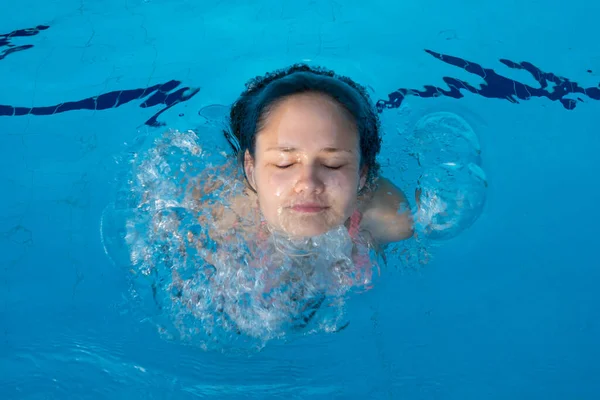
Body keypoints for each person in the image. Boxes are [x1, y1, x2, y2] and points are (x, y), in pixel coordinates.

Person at [210, 63, 415, 248]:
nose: (308, 183)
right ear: (250, 169)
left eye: (332, 164)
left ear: (362, 174)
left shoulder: (390, 220)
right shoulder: (220, 214)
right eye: (285, 163)